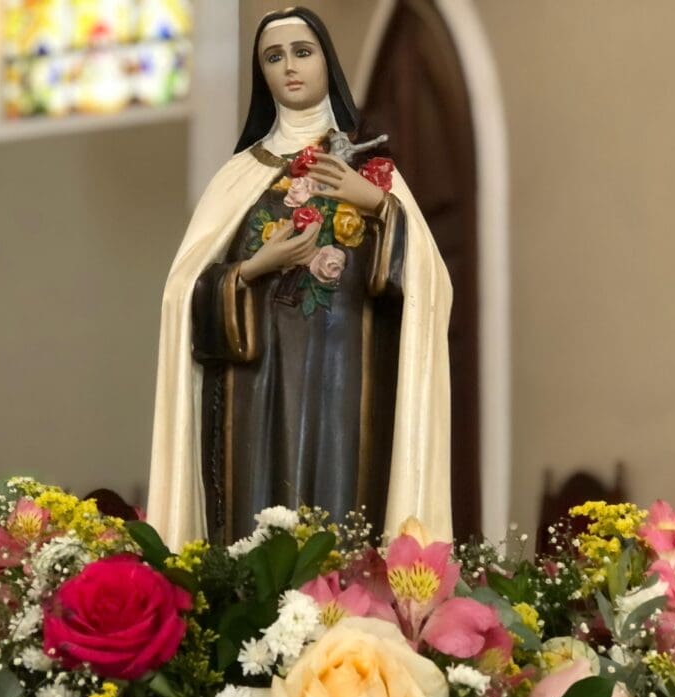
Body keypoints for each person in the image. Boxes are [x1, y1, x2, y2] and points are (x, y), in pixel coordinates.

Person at [147, 7, 452, 549]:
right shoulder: (239, 175)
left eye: (302, 52)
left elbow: (431, 284)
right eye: (274, 56)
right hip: (256, 379)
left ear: (325, 62)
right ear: (261, 74)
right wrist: (254, 267)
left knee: (340, 505)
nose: (289, 66)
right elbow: (183, 294)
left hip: (346, 371)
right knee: (255, 510)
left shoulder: (368, 168)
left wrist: (377, 204)